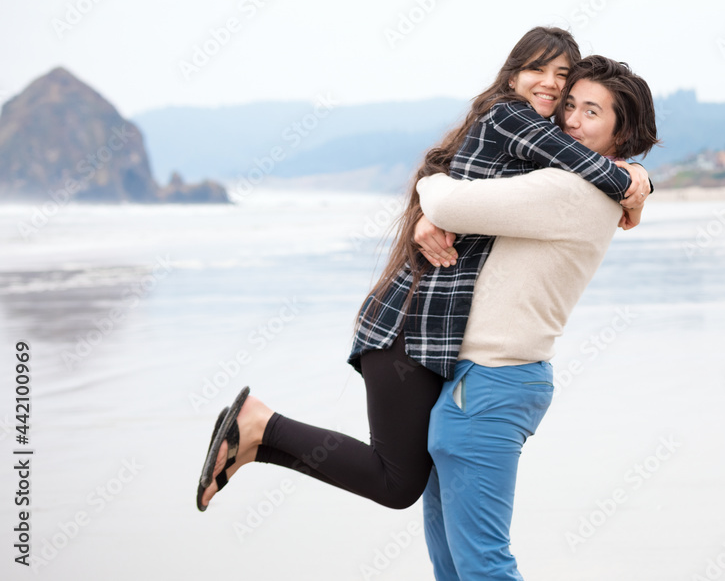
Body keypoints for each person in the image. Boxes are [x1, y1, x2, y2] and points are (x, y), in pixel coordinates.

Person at [196, 28, 652, 511]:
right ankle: (262, 424)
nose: (551, 85)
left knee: (403, 477)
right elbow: (579, 167)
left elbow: (520, 174)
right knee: (398, 484)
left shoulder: (537, 146)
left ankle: (254, 443)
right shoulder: (511, 117)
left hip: (434, 334)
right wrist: (633, 185)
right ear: (512, 74)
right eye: (537, 69)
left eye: (563, 76)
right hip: (407, 328)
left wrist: (637, 175)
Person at [415, 55, 659, 580]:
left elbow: (449, 202)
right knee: (454, 563)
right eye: (569, 105)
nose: (569, 120)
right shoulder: (576, 180)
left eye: (590, 111)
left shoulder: (568, 190)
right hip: (487, 379)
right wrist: (640, 178)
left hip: (489, 381)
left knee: (481, 564)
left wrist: (427, 186)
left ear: (624, 130)